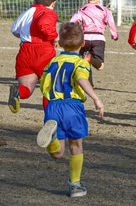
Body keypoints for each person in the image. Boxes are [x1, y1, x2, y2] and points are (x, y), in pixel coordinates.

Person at [36, 22, 105, 198]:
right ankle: (74, 185)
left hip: (52, 107)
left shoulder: (53, 62)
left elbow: (44, 82)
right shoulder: (80, 63)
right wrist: (96, 98)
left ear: (59, 43)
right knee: (76, 146)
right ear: (83, 44)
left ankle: (51, 139)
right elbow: (82, 80)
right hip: (72, 107)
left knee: (57, 153)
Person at [8, 0, 59, 114]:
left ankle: (18, 91)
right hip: (43, 52)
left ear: (35, 0)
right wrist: (55, 37)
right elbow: (43, 24)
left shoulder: (27, 12)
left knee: (26, 88)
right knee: (50, 89)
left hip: (25, 52)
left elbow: (14, 30)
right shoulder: (49, 12)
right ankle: (50, 118)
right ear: (53, 3)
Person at [70, 0, 118, 87]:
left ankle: (90, 84)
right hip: (99, 38)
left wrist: (73, 33)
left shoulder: (82, 10)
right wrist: (114, 35)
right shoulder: (105, 10)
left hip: (85, 38)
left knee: (84, 63)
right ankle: (90, 59)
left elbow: (72, 22)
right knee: (100, 66)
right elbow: (111, 23)